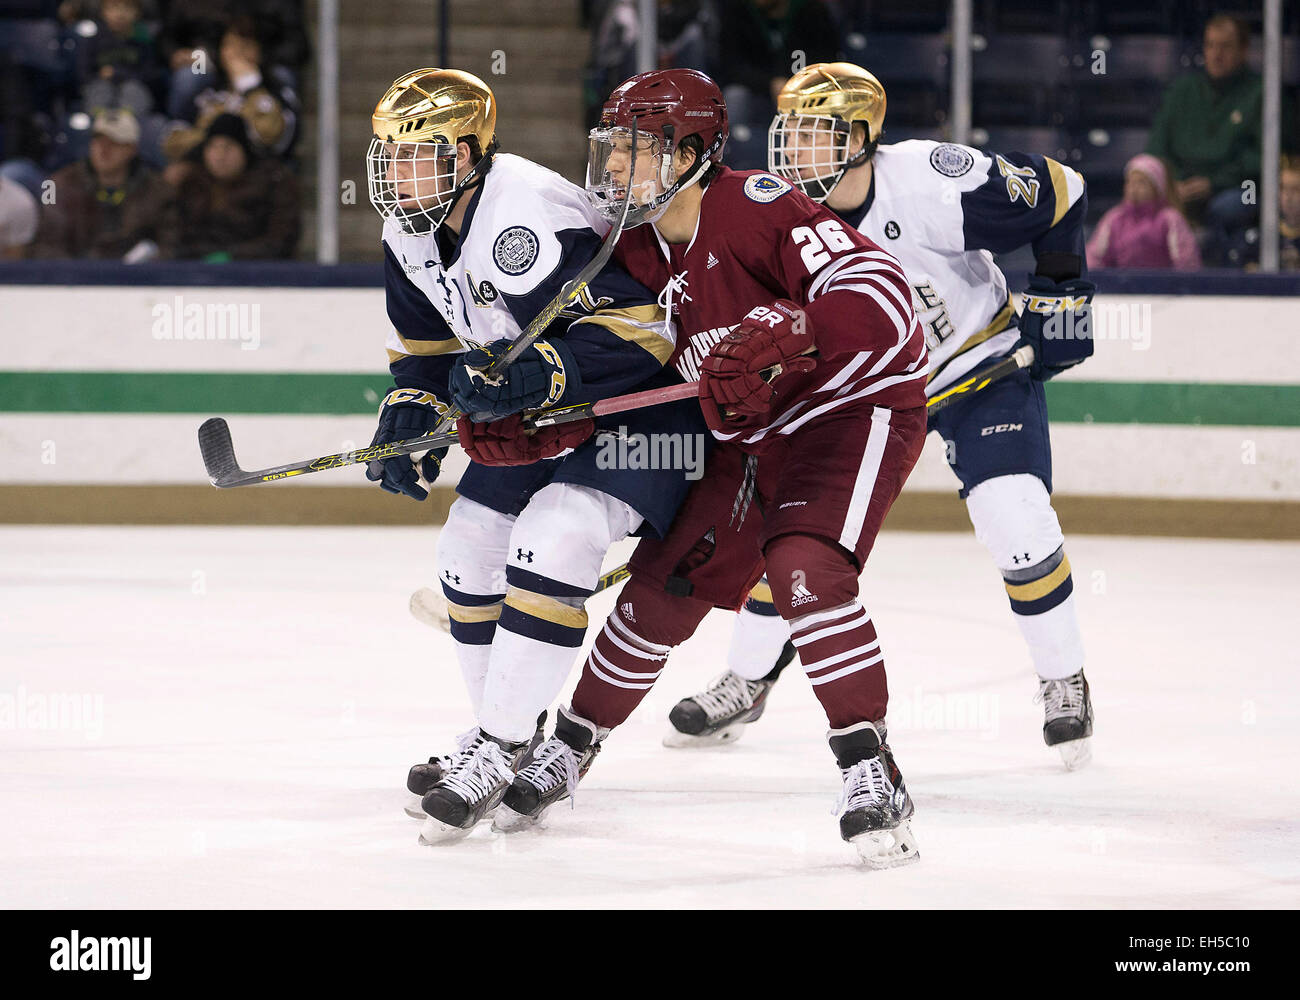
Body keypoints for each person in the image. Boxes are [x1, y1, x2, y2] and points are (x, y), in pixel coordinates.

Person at [497, 68, 931, 868]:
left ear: (693, 152)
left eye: (636, 149)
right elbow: (638, 375)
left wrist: (796, 326)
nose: (616, 167)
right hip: (750, 436)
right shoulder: (628, 248)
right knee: (660, 591)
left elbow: (883, 293)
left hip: (850, 412)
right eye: (610, 148)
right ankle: (571, 745)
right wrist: (546, 420)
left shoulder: (754, 203)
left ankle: (871, 768)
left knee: (804, 570)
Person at [664, 62, 1097, 770]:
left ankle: (1063, 675)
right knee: (796, 532)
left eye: (817, 134)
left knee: (1014, 515)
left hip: (970, 367)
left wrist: (1061, 287)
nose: (796, 152)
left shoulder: (932, 179)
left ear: (863, 138)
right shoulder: (772, 209)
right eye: (789, 134)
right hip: (859, 390)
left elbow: (1063, 191)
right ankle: (747, 678)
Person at [361, 69, 702, 843]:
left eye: (420, 155)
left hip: (640, 411)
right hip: (544, 415)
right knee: (466, 549)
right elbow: (427, 350)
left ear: (472, 153)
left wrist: (545, 372)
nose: (399, 174)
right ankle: (501, 734)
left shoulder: (528, 215)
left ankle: (501, 745)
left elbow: (647, 328)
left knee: (554, 536)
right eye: (390, 155)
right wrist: (412, 409)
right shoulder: (409, 229)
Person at [32, 108, 169, 260]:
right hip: (74, 277)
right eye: (98, 141)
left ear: (131, 149)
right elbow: (46, 244)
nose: (103, 150)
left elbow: (169, 244)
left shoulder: (159, 189)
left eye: (114, 142)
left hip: (139, 278)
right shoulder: (56, 185)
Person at [160, 113, 298, 260]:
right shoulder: (190, 182)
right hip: (194, 272)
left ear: (244, 150)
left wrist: (233, 256)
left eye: (228, 147)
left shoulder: (273, 181)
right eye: (213, 147)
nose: (220, 156)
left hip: (255, 273)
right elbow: (171, 235)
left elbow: (280, 241)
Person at [1087, 154, 1200, 269]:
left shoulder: (1169, 218)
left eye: (1142, 182)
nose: (1134, 188)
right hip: (1120, 283)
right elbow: (1094, 256)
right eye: (1130, 182)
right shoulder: (1114, 217)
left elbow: (1186, 260)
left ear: (1156, 188)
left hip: (1162, 284)